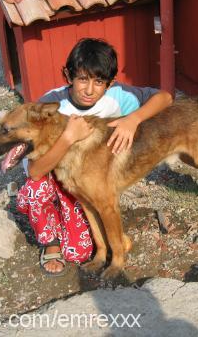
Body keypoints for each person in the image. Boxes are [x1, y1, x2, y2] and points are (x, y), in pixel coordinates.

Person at [16, 38, 172, 276]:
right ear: (68, 76)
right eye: (82, 79)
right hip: (57, 180)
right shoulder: (51, 104)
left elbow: (165, 98)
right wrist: (68, 137)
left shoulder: (119, 97)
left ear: (109, 84)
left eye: (99, 82)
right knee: (34, 188)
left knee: (78, 252)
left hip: (88, 180)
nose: (89, 90)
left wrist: (134, 118)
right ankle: (51, 242)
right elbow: (35, 171)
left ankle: (104, 248)